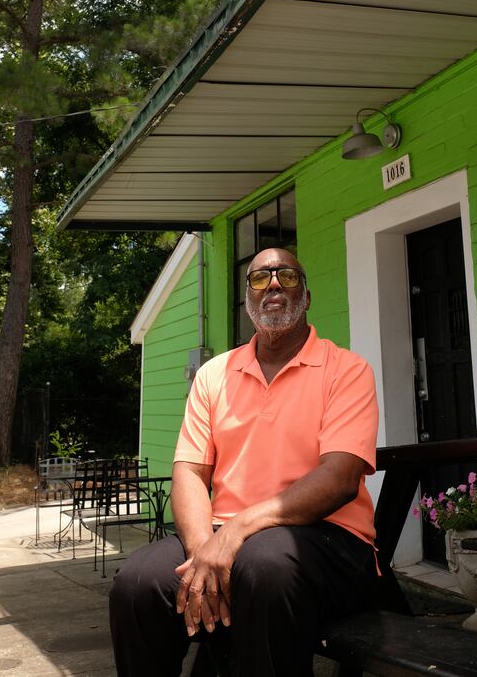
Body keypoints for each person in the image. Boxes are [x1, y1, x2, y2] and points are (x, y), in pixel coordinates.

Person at [109, 247, 379, 677]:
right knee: (138, 583)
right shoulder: (214, 375)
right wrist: (204, 554)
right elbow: (190, 473)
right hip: (223, 540)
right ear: (248, 300)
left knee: (265, 565)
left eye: (287, 276)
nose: (273, 284)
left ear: (306, 297)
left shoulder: (346, 370)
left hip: (328, 542)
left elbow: (340, 477)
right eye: (259, 278)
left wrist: (235, 531)